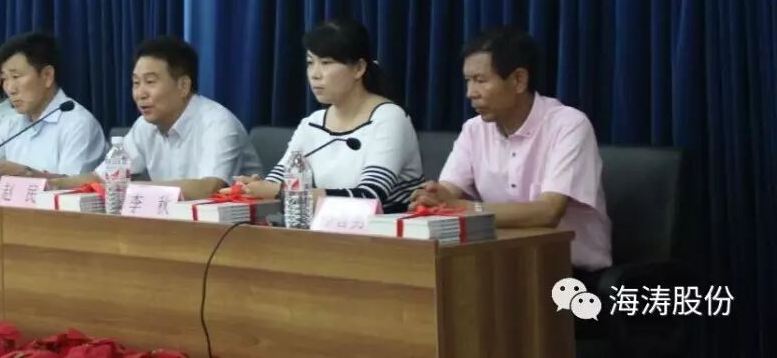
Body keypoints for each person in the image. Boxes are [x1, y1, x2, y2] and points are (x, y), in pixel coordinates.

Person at [410, 26, 611, 271]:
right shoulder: (474, 129)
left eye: (480, 80)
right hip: (502, 263)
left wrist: (460, 208)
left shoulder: (568, 125)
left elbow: (548, 212)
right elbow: (448, 191)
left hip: (568, 270)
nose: (470, 93)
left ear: (518, 80)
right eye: (467, 81)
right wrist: (432, 197)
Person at [234, 19, 424, 212]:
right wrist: (253, 187)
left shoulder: (389, 118)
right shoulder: (313, 123)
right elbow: (277, 180)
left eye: (326, 63)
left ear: (359, 68)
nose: (315, 74)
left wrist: (279, 191)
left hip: (383, 228)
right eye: (310, 63)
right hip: (324, 226)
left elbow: (369, 196)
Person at [49, 36, 262, 200]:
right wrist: (52, 185)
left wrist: (129, 189)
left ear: (183, 86)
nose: (140, 93)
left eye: (150, 82)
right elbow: (100, 177)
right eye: (136, 83)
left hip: (235, 234)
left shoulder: (218, 123)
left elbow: (210, 188)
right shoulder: (145, 126)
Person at [0, 32, 106, 178]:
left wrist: (26, 173)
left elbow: (73, 185)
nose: (10, 89)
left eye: (16, 77)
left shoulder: (78, 124)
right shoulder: (11, 123)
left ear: (47, 75)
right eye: (5, 79)